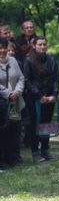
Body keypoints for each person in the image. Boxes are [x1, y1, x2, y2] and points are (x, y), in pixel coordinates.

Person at [23, 36, 59, 162]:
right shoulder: (29, 60)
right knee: (35, 124)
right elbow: (27, 80)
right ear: (34, 46)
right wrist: (39, 96)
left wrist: (54, 94)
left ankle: (45, 149)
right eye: (40, 44)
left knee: (46, 123)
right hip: (34, 98)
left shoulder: (51, 60)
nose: (42, 47)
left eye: (44, 44)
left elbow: (56, 78)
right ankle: (35, 151)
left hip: (49, 96)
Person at [0, 37, 25, 169]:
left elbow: (21, 78)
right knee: (2, 131)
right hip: (2, 103)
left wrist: (17, 92)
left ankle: (12, 158)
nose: (3, 50)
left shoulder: (13, 61)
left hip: (15, 102)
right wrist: (8, 94)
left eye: (4, 48)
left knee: (13, 131)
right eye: (0, 48)